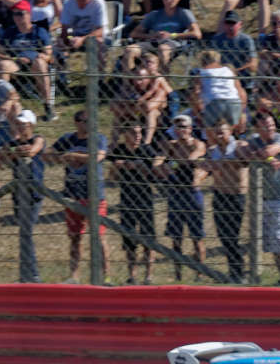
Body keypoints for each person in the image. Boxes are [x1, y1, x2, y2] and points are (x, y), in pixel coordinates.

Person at [44, 109, 110, 282]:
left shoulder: (98, 138)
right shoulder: (68, 139)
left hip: (94, 195)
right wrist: (61, 158)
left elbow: (98, 157)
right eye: (84, 121)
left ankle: (106, 276)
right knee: (74, 238)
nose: (89, 124)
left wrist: (73, 155)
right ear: (77, 122)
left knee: (98, 237)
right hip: (72, 194)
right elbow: (48, 154)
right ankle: (74, 276)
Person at [239, 113, 280, 284]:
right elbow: (241, 150)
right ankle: (258, 275)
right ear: (257, 128)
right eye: (266, 125)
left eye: (271, 124)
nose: (271, 127)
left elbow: (268, 150)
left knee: (279, 239)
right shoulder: (254, 139)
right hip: (261, 199)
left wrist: (264, 155)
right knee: (264, 239)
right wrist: (267, 158)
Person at [0, 109, 47, 282]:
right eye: (18, 124)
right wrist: (14, 150)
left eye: (23, 124)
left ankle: (32, 275)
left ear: (31, 125)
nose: (20, 127)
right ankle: (27, 274)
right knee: (24, 234)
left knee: (26, 233)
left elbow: (31, 151)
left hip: (34, 193)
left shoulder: (38, 138)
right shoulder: (13, 142)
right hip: (18, 193)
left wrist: (12, 152)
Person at [154, 113, 207, 281]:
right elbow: (157, 163)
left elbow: (192, 158)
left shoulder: (197, 144)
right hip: (176, 192)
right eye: (177, 127)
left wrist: (172, 164)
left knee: (197, 237)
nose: (180, 130)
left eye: (183, 126)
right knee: (176, 238)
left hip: (192, 193)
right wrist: (167, 169)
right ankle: (178, 275)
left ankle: (199, 273)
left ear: (190, 129)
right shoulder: (170, 145)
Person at [109, 123, 158, 285]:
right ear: (125, 134)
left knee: (148, 239)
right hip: (126, 199)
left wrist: (138, 165)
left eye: (139, 133)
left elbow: (153, 173)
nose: (138, 136)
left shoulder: (146, 150)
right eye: (134, 133)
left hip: (145, 199)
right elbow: (113, 178)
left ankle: (149, 276)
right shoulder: (119, 151)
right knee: (129, 240)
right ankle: (132, 275)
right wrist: (118, 167)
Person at [205, 119, 248, 282]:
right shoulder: (213, 150)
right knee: (223, 236)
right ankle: (234, 271)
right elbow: (207, 166)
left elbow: (243, 162)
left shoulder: (239, 146)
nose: (219, 135)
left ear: (230, 131)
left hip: (236, 196)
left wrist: (222, 164)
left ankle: (239, 271)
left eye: (222, 131)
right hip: (219, 196)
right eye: (216, 132)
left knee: (232, 235)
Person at [0, 0, 55, 121]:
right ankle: (7, 104)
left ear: (29, 14)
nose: (17, 17)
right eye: (15, 14)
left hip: (35, 63)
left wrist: (38, 57)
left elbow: (48, 53)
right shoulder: (10, 32)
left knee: (40, 63)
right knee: (3, 65)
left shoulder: (39, 31)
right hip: (16, 63)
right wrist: (14, 58)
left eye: (20, 13)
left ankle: (48, 106)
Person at [131, 0, 201, 71]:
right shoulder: (154, 14)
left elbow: (197, 34)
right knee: (130, 50)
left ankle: (163, 80)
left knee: (163, 49)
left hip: (174, 44)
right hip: (153, 43)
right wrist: (151, 36)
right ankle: (127, 83)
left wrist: (172, 35)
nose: (168, 0)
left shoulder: (184, 13)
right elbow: (134, 33)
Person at [190, 49, 247, 131]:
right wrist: (242, 111)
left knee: (212, 131)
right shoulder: (228, 70)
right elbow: (241, 92)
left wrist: (199, 114)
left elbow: (196, 93)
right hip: (233, 102)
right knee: (231, 130)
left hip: (214, 103)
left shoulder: (201, 73)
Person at [57, 0, 107, 67]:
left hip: (94, 37)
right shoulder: (68, 3)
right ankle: (61, 76)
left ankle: (99, 77)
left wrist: (83, 39)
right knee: (59, 44)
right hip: (75, 37)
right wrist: (67, 41)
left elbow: (101, 31)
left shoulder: (98, 3)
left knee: (99, 42)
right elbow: (64, 29)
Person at [208, 10, 258, 86]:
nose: (230, 27)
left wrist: (234, 71)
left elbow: (253, 64)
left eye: (233, 23)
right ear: (224, 24)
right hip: (221, 76)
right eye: (228, 23)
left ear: (240, 24)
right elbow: (210, 60)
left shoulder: (246, 40)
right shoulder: (217, 39)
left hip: (241, 77)